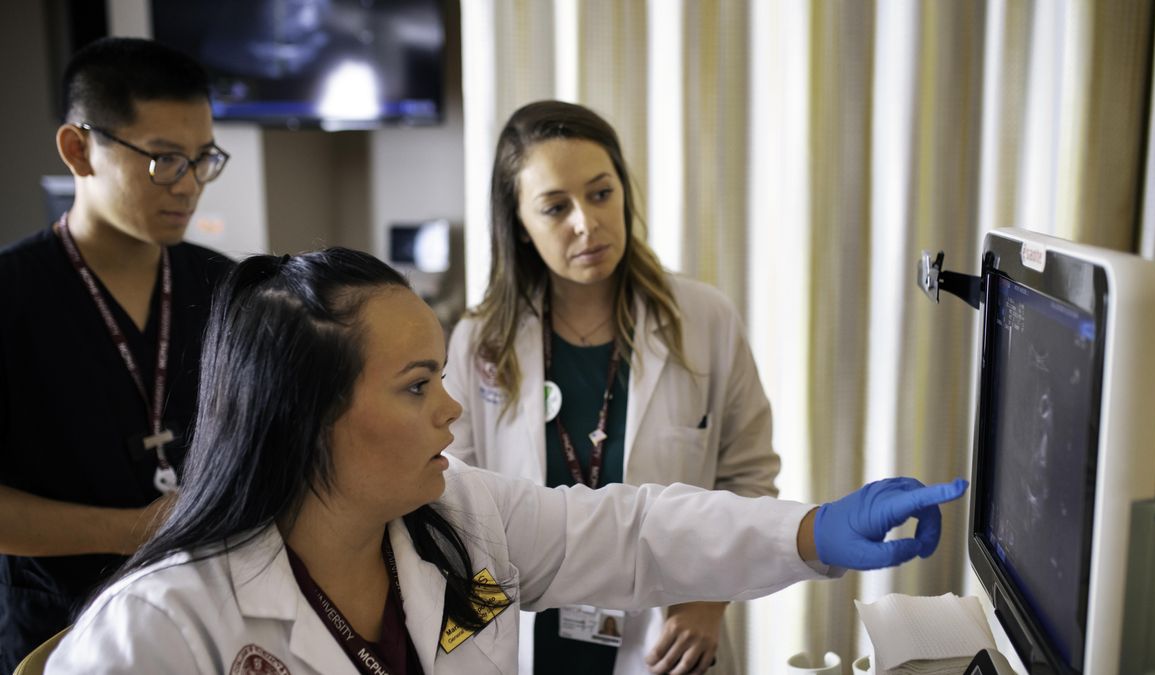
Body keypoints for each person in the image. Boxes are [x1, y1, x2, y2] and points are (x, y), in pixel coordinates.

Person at [43, 247, 967, 674]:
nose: (451, 408)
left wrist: (812, 530)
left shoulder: (458, 520)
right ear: (306, 421)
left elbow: (631, 529)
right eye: (415, 388)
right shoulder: (160, 633)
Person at [443, 99, 780, 675]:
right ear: (519, 224)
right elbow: (457, 509)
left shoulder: (703, 320)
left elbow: (748, 477)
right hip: (524, 636)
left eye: (601, 193)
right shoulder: (481, 342)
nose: (586, 222)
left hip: (666, 639)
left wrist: (709, 599)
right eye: (555, 207)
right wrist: (461, 646)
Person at [0, 37, 233, 669]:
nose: (188, 186)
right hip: (57, 627)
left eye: (202, 158)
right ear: (79, 150)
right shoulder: (13, 295)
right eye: (163, 159)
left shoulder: (227, 288)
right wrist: (130, 531)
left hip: (209, 620)